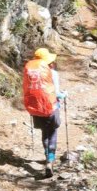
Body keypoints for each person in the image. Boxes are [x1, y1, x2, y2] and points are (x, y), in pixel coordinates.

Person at [22, 47, 67, 177]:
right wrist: (64, 94)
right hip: (51, 107)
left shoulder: (30, 72)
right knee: (52, 131)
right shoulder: (52, 73)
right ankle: (50, 160)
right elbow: (57, 93)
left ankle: (47, 155)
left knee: (44, 132)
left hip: (36, 108)